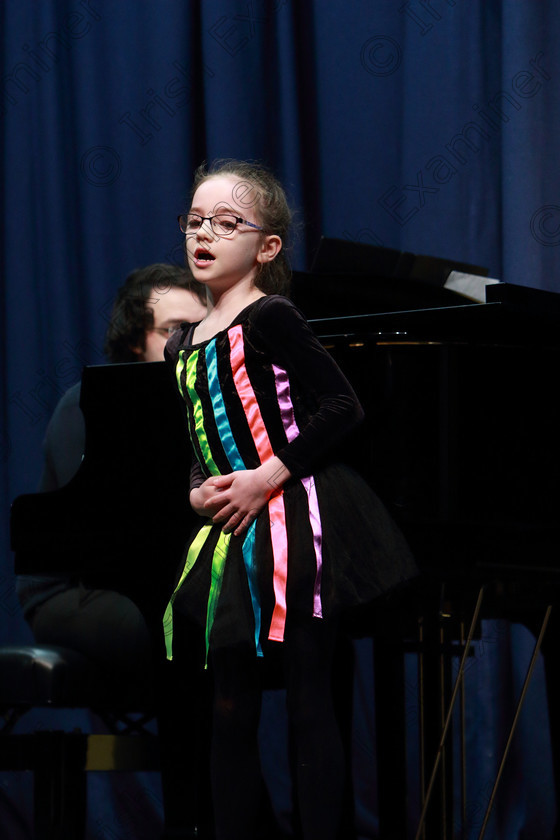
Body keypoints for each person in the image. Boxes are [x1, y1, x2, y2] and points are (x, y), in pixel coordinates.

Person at [163, 160, 418, 840]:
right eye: (194, 221)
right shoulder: (181, 342)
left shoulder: (272, 317)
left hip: (297, 520)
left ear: (267, 247)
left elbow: (342, 405)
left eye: (226, 223)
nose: (203, 235)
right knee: (228, 703)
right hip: (233, 532)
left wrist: (267, 473)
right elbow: (198, 438)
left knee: (308, 696)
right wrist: (197, 490)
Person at [15, 263, 209, 840]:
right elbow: (93, 532)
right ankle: (198, 818)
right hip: (73, 591)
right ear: (135, 339)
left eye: (199, 331)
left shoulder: (203, 403)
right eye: (174, 329)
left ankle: (221, 813)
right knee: (177, 633)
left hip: (158, 580)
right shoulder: (90, 403)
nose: (187, 343)